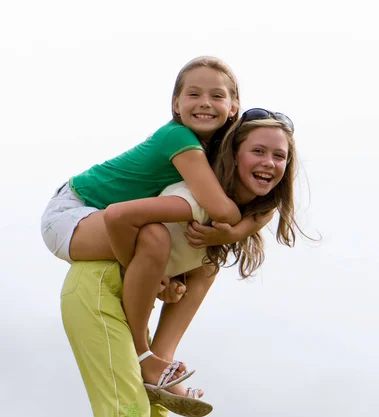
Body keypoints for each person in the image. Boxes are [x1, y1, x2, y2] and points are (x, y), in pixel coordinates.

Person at [60, 110, 300, 417]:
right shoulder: (192, 197)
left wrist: (160, 361)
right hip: (95, 294)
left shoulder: (214, 245)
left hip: (131, 308)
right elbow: (133, 228)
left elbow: (177, 308)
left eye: (280, 155)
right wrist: (146, 305)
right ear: (231, 155)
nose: (270, 162)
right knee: (127, 409)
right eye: (258, 150)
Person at [42, 57, 278, 397]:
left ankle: (163, 358)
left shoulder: (218, 150)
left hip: (111, 216)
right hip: (71, 212)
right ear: (176, 105)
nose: (205, 103)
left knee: (207, 263)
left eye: (217, 96)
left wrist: (234, 233)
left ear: (233, 107)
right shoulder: (178, 138)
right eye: (193, 94)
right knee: (154, 237)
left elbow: (267, 207)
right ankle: (143, 355)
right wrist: (160, 279)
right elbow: (222, 209)